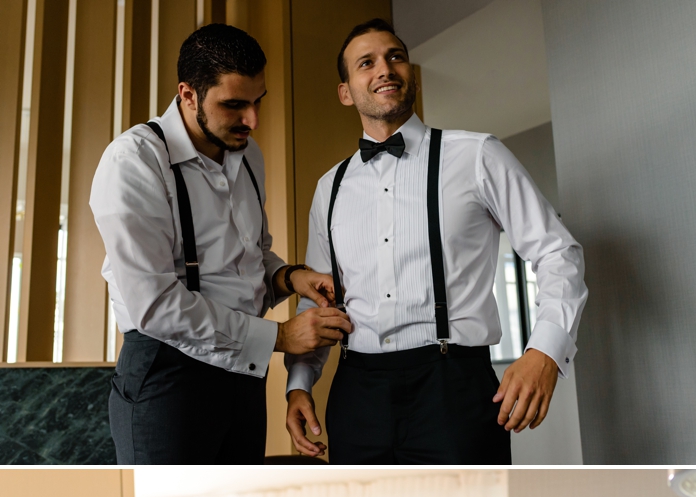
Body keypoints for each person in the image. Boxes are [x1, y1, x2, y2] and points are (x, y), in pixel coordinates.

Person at [284, 19, 586, 464]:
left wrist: (545, 350)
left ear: (412, 75)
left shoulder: (478, 154)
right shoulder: (329, 187)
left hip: (455, 388)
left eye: (395, 57)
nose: (385, 68)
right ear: (346, 91)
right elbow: (318, 301)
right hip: (356, 395)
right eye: (366, 63)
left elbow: (557, 252)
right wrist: (298, 385)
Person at [90, 25, 351, 463]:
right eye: (234, 105)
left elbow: (250, 258)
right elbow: (154, 306)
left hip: (242, 377)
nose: (252, 120)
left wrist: (290, 277)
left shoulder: (249, 155)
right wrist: (281, 336)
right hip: (166, 377)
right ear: (188, 95)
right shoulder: (134, 160)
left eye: (257, 102)